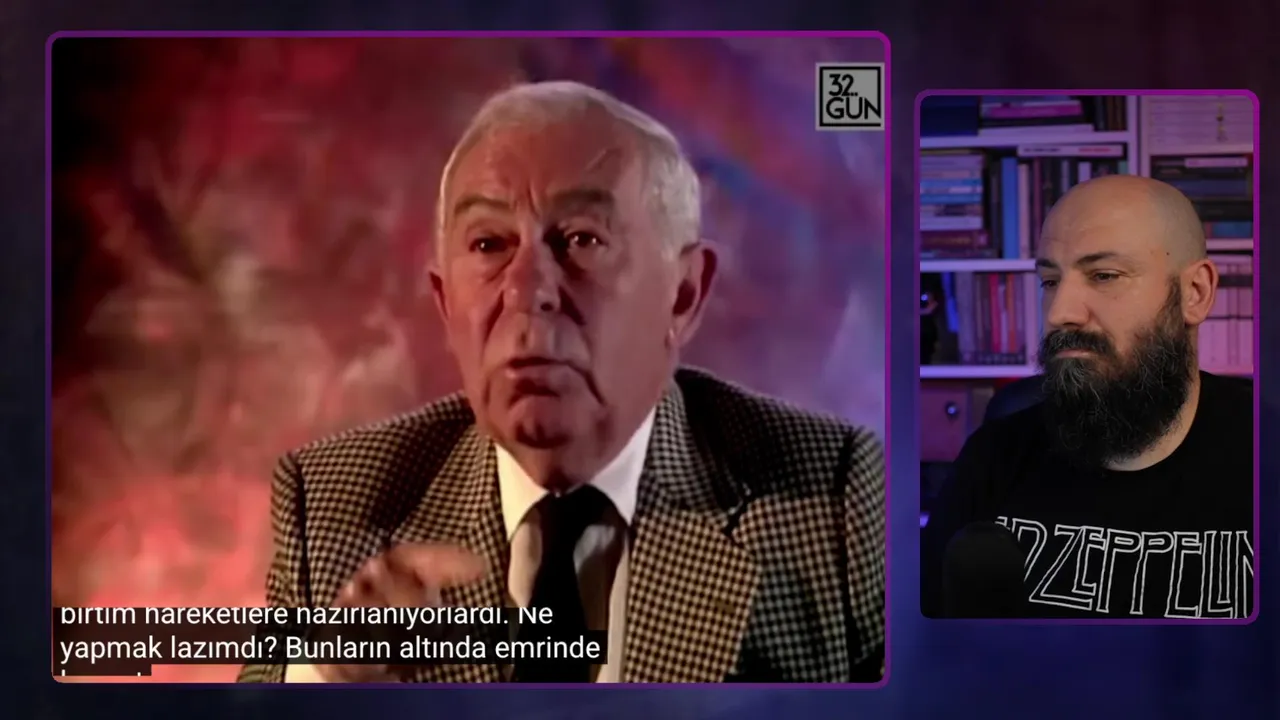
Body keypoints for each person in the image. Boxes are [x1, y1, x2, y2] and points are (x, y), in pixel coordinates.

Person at [237, 81, 886, 683]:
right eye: (489, 245)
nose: (527, 291)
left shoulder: (833, 502)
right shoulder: (334, 505)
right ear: (445, 303)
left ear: (683, 295)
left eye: (581, 239)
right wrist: (328, 680)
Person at [920, 175, 1254, 620]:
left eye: (1104, 276)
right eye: (1049, 281)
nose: (1060, 313)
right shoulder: (993, 458)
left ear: (1195, 293)